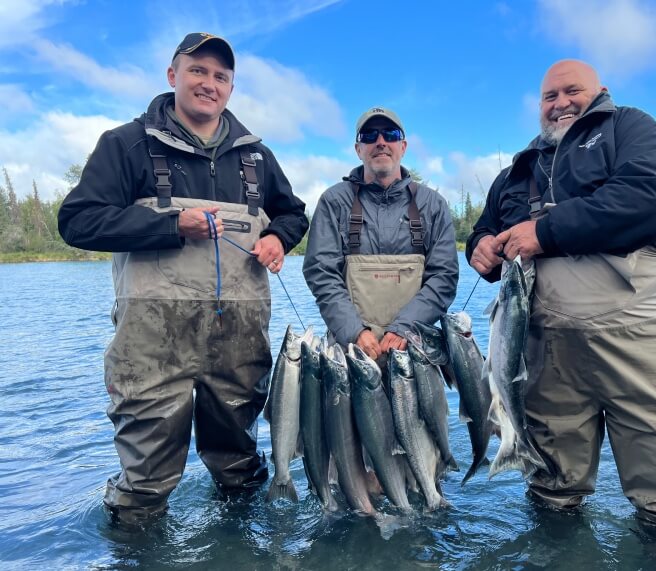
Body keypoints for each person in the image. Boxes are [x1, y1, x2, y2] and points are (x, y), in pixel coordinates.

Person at [58, 32, 309, 520]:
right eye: (198, 71)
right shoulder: (126, 145)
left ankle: (241, 552)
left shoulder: (257, 157)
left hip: (239, 339)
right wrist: (171, 225)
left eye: (220, 76)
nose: (208, 83)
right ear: (172, 76)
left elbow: (293, 214)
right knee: (145, 483)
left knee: (241, 468)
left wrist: (279, 237)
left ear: (230, 88)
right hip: (152, 342)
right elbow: (77, 221)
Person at [467, 60, 656, 537]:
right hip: (545, 350)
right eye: (549, 97)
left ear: (600, 91)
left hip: (636, 339)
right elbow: (487, 230)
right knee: (551, 488)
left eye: (571, 91)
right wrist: (481, 247)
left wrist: (545, 230)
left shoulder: (629, 128)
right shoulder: (516, 170)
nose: (560, 104)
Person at [303, 107, 458, 361]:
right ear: (358, 149)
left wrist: (405, 327)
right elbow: (321, 273)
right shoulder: (333, 201)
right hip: (350, 353)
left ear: (403, 146)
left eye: (390, 134)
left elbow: (444, 277)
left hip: (415, 351)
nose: (381, 142)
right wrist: (355, 332)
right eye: (369, 136)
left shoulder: (433, 205)